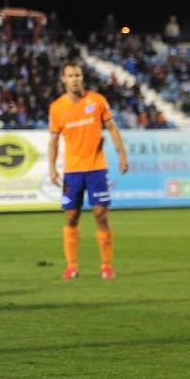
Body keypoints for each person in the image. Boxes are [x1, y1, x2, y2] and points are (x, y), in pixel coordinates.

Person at [47, 60, 130, 280]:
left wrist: (122, 154)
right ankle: (71, 266)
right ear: (63, 79)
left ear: (82, 77)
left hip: (96, 168)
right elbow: (53, 142)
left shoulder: (97, 100)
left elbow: (112, 127)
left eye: (78, 75)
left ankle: (106, 265)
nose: (75, 79)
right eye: (70, 76)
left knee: (101, 215)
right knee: (71, 216)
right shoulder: (57, 108)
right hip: (72, 171)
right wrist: (52, 169)